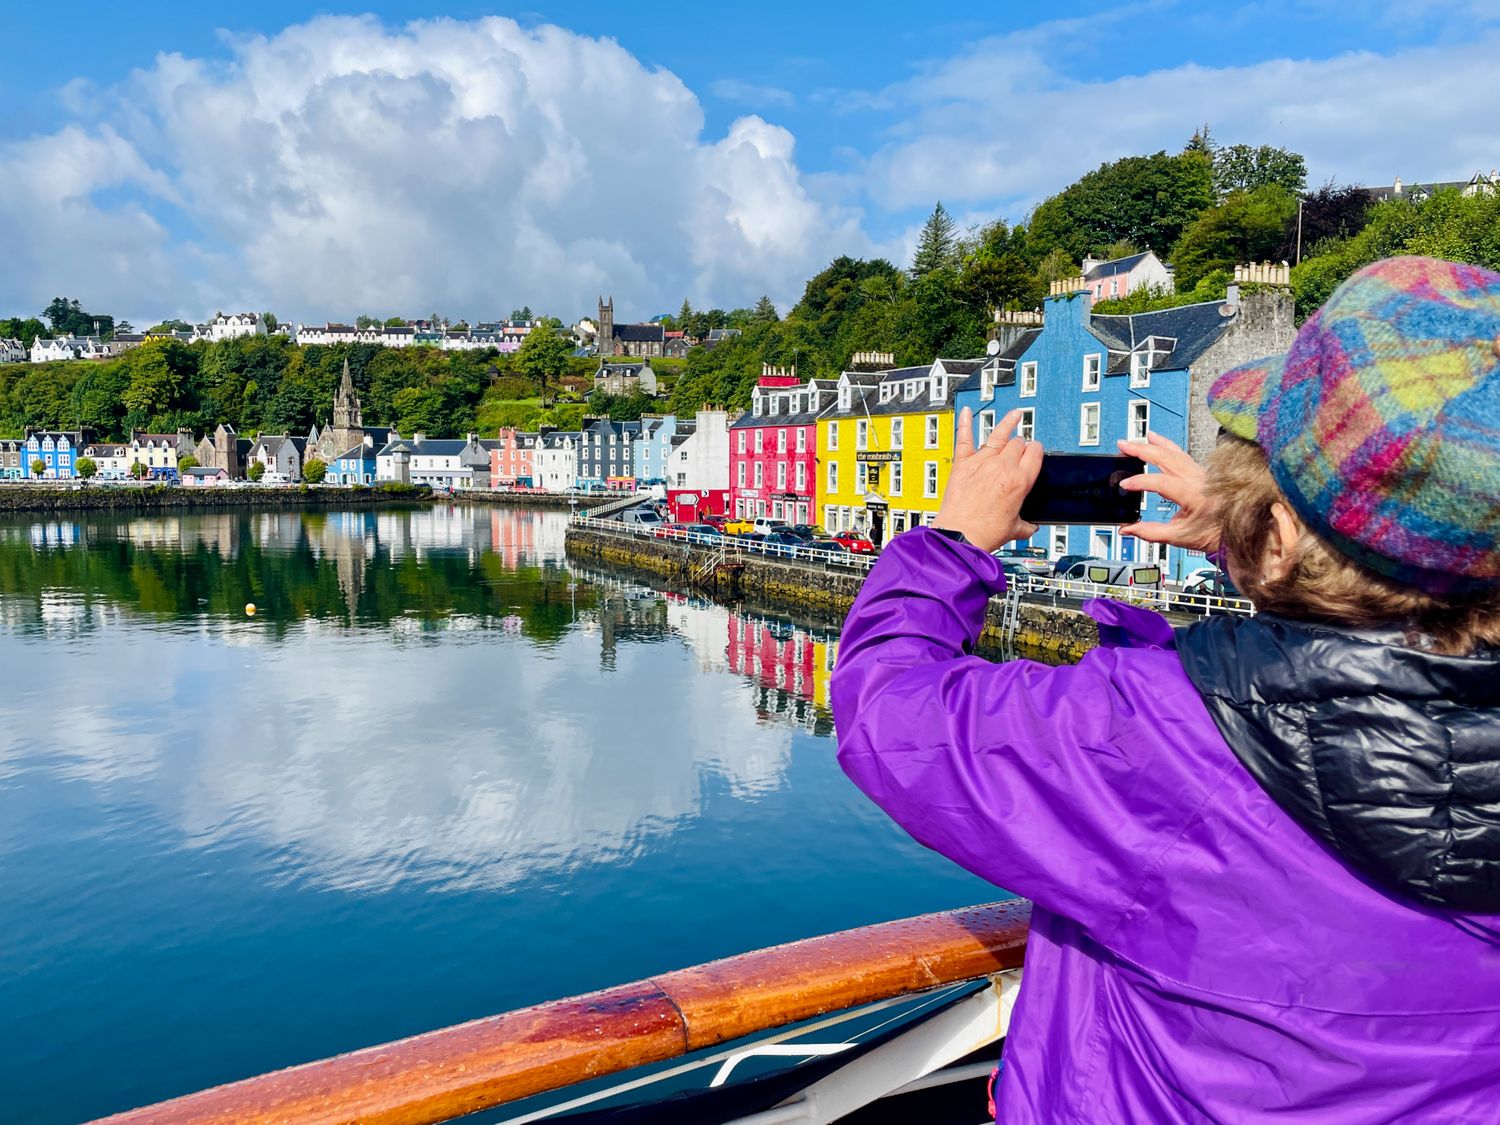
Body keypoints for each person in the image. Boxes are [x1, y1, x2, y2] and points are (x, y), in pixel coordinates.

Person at [831, 256, 1500, 1123]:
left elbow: (889, 712)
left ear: (1284, 531)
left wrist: (952, 543)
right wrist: (1250, 548)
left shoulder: (1159, 738)